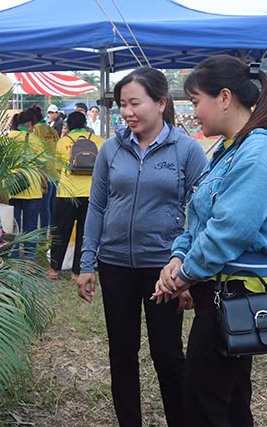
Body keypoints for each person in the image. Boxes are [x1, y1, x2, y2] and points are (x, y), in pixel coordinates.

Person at [153, 56, 267, 426]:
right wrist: (177, 259)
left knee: (206, 403)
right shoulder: (228, 150)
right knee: (229, 401)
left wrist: (183, 273)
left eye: (195, 100)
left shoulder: (258, 152)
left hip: (234, 293)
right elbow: (199, 217)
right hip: (217, 292)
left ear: (224, 97)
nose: (193, 111)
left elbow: (229, 230)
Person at [77, 67, 207, 427]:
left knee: (167, 354)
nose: (128, 112)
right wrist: (87, 263)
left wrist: (188, 274)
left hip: (163, 270)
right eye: (122, 104)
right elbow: (98, 206)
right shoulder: (110, 149)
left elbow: (202, 214)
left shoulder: (187, 150)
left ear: (161, 103)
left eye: (135, 103)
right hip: (115, 265)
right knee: (122, 352)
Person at [49, 111, 104, 280]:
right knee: (85, 232)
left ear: (69, 125)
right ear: (85, 124)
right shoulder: (99, 141)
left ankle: (54, 270)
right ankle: (77, 272)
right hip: (91, 194)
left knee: (61, 231)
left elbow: (57, 168)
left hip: (67, 192)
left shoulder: (63, 142)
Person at [7, 108, 46, 260]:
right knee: (30, 226)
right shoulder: (36, 140)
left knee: (13, 227)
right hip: (33, 188)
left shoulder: (8, 137)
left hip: (12, 187)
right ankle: (29, 258)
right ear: (29, 124)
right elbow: (42, 166)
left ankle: (14, 257)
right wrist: (44, 185)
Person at [31, 106, 59, 240]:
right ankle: (52, 233)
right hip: (54, 172)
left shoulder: (36, 131)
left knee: (44, 207)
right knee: (52, 206)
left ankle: (42, 237)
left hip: (44, 173)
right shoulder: (53, 130)